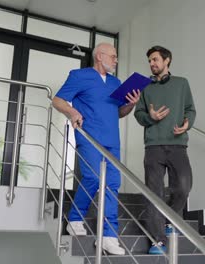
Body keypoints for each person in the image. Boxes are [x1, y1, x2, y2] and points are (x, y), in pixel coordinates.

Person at [52, 42, 140, 255]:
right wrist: (72, 113)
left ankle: (109, 236)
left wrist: (131, 103)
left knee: (112, 185)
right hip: (89, 137)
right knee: (92, 177)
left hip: (112, 140)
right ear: (100, 56)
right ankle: (75, 218)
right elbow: (57, 100)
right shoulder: (79, 76)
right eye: (113, 56)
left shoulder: (116, 82)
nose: (116, 60)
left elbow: (119, 112)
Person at [134, 45, 197, 254]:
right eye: (150, 61)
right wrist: (149, 117)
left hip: (178, 144)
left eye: (155, 60)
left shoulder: (182, 83)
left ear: (167, 60)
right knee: (154, 193)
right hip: (153, 146)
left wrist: (188, 123)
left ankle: (170, 218)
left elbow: (190, 109)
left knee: (183, 187)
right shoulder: (144, 87)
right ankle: (157, 240)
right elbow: (138, 114)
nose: (152, 64)